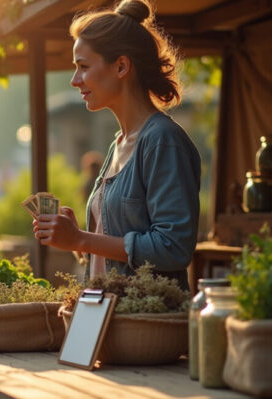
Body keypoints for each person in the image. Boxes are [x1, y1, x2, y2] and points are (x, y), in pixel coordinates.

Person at [33, 0, 200, 291]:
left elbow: (173, 247)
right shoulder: (118, 144)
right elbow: (112, 250)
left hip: (149, 318)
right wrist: (78, 238)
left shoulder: (162, 141)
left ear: (121, 66)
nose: (74, 80)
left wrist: (82, 239)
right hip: (108, 313)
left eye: (83, 67)